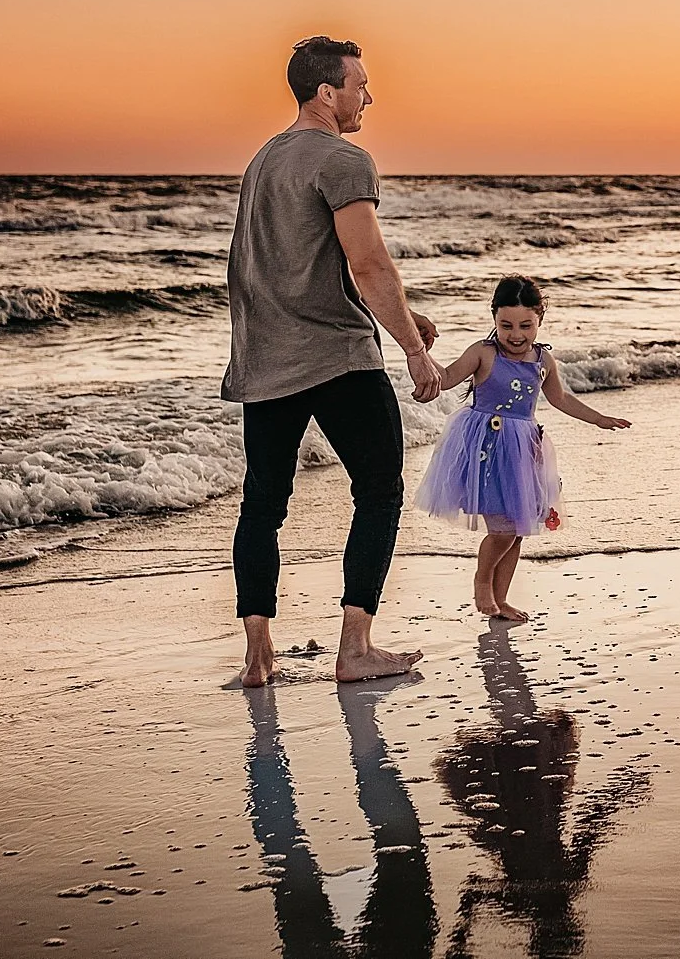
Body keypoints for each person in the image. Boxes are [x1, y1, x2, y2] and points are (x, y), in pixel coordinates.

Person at [222, 34, 443, 687]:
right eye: (360, 83)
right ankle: (355, 647)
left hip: (265, 357)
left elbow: (278, 266)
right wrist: (412, 350)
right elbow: (366, 260)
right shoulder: (344, 158)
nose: (368, 95)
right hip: (338, 356)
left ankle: (258, 656)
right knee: (379, 490)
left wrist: (402, 314)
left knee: (261, 505)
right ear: (328, 90)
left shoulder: (263, 162)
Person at [416, 276, 630, 622]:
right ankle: (482, 582)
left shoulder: (543, 360)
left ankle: (500, 601)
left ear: (539, 320)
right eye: (507, 325)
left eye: (526, 326)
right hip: (486, 449)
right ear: (494, 320)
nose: (516, 335)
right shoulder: (483, 353)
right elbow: (447, 378)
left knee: (517, 531)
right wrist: (419, 350)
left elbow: (559, 398)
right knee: (501, 529)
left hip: (523, 452)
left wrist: (598, 418)